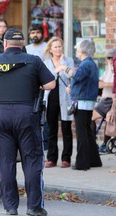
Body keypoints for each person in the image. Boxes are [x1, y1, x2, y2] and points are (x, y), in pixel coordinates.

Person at [0, 28, 55, 216]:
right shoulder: (33, 60)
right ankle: (34, 207)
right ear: (22, 44)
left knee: (5, 162)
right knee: (32, 161)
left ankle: (10, 207)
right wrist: (35, 82)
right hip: (27, 115)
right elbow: (51, 84)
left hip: (1, 115)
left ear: (5, 44)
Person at [67, 39, 102, 171]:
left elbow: (77, 76)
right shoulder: (90, 63)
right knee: (87, 131)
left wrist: (65, 68)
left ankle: (82, 163)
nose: (76, 50)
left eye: (77, 48)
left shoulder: (85, 64)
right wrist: (73, 88)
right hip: (86, 101)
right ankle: (94, 160)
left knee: (82, 132)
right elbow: (82, 80)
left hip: (81, 102)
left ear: (82, 50)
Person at [43, 37, 75, 168]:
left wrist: (63, 65)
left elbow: (71, 76)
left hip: (65, 97)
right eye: (55, 47)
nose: (58, 49)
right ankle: (51, 158)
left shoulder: (69, 60)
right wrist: (57, 69)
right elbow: (47, 78)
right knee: (51, 129)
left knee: (67, 128)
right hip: (51, 97)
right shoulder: (46, 62)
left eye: (60, 46)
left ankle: (66, 158)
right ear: (50, 49)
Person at [26, 24, 49, 150]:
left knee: (43, 117)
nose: (35, 35)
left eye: (37, 32)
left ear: (42, 34)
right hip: (28, 88)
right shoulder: (26, 48)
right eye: (32, 32)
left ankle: (45, 145)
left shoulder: (47, 48)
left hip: (43, 87)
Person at [91, 49, 116, 154]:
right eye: (108, 58)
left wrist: (106, 84)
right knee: (93, 118)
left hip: (110, 99)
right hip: (104, 98)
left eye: (112, 58)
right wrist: (105, 84)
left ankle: (103, 143)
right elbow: (99, 83)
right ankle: (95, 143)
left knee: (91, 117)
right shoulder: (107, 69)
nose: (110, 60)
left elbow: (110, 84)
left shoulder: (113, 69)